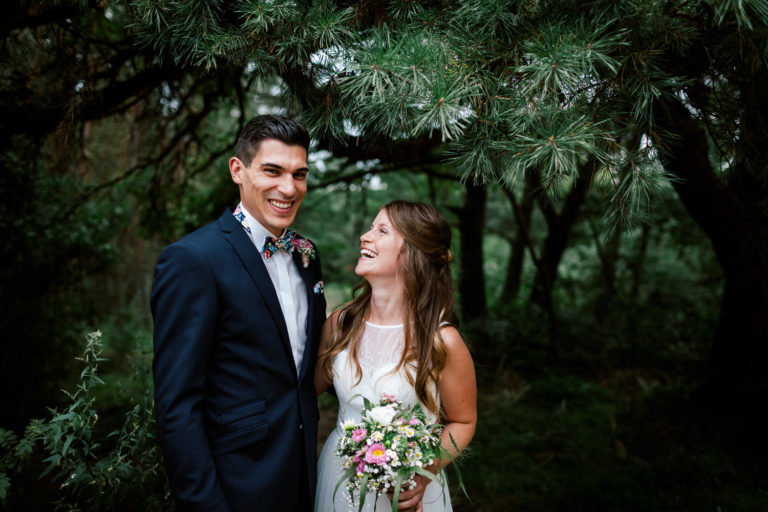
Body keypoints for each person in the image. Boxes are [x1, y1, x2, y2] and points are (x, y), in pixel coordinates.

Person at [151, 115, 327, 511]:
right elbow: (177, 405)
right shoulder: (193, 260)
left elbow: (301, 372)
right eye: (273, 171)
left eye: (300, 174)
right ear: (238, 170)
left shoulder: (307, 255)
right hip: (236, 486)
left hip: (303, 477)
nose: (289, 188)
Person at [313, 201, 477, 512]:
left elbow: (463, 420)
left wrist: (422, 474)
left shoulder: (442, 341)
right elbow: (302, 391)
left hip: (408, 493)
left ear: (412, 253)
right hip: (340, 482)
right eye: (370, 227)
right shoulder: (340, 324)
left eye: (381, 230)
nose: (365, 236)